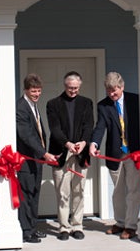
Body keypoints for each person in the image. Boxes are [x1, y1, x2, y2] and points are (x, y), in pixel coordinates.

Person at [89, 72, 140, 240]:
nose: (112, 94)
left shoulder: (136, 100)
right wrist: (94, 143)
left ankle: (131, 226)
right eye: (109, 91)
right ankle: (120, 223)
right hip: (115, 154)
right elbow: (100, 127)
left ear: (122, 87)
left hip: (134, 153)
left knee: (133, 191)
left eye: (115, 90)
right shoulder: (103, 106)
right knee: (118, 191)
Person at [46, 71, 94, 241]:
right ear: (64, 86)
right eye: (70, 87)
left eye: (75, 88)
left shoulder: (87, 103)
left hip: (80, 154)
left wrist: (83, 142)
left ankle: (77, 226)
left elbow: (89, 125)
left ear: (79, 86)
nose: (73, 90)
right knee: (62, 192)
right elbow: (55, 128)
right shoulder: (53, 104)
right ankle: (64, 227)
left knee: (79, 191)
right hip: (61, 153)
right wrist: (68, 144)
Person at [16, 73, 57, 243]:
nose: (37, 94)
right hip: (26, 161)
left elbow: (39, 133)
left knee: (34, 194)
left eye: (39, 91)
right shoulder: (21, 107)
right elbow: (26, 135)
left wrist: (43, 153)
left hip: (36, 160)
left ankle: (33, 228)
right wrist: (44, 153)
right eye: (33, 91)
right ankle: (26, 231)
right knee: (26, 197)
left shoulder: (32, 105)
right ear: (26, 90)